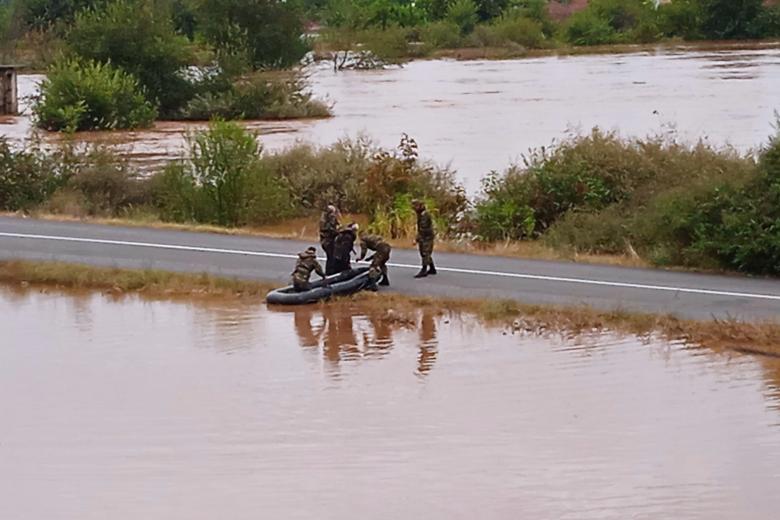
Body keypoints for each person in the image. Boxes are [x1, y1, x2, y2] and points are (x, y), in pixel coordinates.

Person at [412, 199, 437, 278]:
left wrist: (416, 239)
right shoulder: (421, 214)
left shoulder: (424, 216)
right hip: (426, 236)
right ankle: (432, 269)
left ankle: (424, 269)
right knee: (426, 253)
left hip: (427, 236)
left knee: (425, 253)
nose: (414, 208)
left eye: (415, 206)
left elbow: (423, 229)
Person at [319, 204, 341, 275]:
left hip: (325, 241)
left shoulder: (324, 218)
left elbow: (337, 225)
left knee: (331, 257)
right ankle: (329, 273)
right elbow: (331, 229)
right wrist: (339, 232)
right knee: (331, 257)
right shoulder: (328, 218)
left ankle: (330, 272)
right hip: (328, 241)